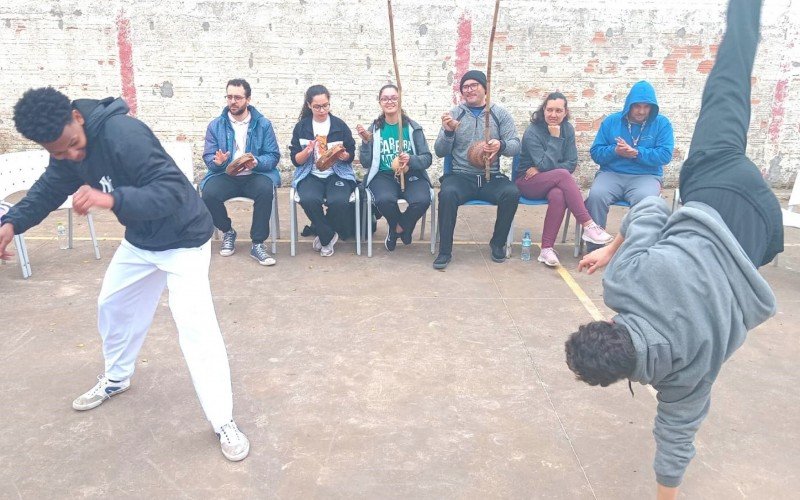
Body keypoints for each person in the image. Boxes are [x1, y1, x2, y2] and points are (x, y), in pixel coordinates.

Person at [565, 0, 784, 497]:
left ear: (623, 379)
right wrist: (612, 251)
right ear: (610, 322)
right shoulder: (625, 285)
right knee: (729, 81)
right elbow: (650, 211)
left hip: (760, 236)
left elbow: (676, 436)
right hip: (716, 179)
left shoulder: (686, 373)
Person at [0, 87, 250, 461]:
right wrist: (12, 222)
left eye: (72, 144)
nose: (71, 155)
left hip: (185, 239)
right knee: (112, 305)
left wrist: (111, 200)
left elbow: (172, 192)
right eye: (59, 153)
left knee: (196, 327)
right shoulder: (65, 148)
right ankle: (117, 378)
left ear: (78, 117)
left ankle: (223, 420)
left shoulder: (124, 134)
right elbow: (49, 188)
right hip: (141, 240)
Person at [433, 70, 520, 270]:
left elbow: (516, 145)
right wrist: (448, 132)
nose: (469, 89)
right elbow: (439, 151)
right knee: (447, 194)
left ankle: (497, 243)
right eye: (465, 87)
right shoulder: (455, 114)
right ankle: (444, 250)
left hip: (491, 177)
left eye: (474, 85)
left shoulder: (499, 114)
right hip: (461, 176)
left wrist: (501, 144)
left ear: (484, 89)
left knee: (511, 193)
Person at [515, 92, 612, 267]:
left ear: (565, 112)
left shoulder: (568, 129)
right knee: (562, 175)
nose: (553, 115)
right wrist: (553, 139)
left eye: (558, 110)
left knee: (559, 194)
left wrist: (544, 168)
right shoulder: (533, 131)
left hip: (553, 181)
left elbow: (571, 163)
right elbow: (546, 165)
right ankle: (588, 225)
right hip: (527, 181)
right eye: (550, 110)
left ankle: (546, 249)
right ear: (543, 110)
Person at [585, 80, 674, 252]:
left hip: (646, 176)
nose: (641, 111)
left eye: (646, 107)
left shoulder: (662, 124)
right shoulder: (612, 121)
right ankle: (594, 248)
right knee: (596, 195)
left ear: (652, 107)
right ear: (629, 105)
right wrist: (615, 151)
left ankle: (635, 250)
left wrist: (637, 153)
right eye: (637, 106)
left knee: (646, 201)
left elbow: (665, 155)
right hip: (612, 173)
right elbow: (596, 153)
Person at [201, 78, 281, 266]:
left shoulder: (263, 124)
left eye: (237, 97)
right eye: (229, 97)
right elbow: (208, 158)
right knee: (209, 193)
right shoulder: (216, 125)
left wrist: (257, 162)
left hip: (255, 175)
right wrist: (218, 162)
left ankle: (258, 243)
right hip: (226, 175)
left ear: (248, 99)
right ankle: (228, 231)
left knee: (265, 189)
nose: (233, 101)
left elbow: (273, 155)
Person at [357, 84, 432, 251]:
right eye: (385, 98)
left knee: (422, 199)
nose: (389, 101)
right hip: (383, 175)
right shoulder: (375, 129)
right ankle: (402, 228)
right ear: (380, 102)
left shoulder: (413, 128)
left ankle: (397, 229)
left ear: (400, 100)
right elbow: (365, 163)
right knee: (384, 200)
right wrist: (365, 142)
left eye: (393, 98)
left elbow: (427, 159)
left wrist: (411, 159)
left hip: (411, 173)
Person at [289, 85, 357, 257]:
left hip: (337, 173)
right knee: (309, 198)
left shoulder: (339, 125)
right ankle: (327, 235)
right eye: (317, 106)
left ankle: (323, 230)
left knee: (339, 200)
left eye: (325, 105)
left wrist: (343, 155)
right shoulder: (302, 127)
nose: (322, 110)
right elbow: (295, 161)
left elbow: (351, 154)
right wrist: (307, 152)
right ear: (309, 106)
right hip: (310, 173)